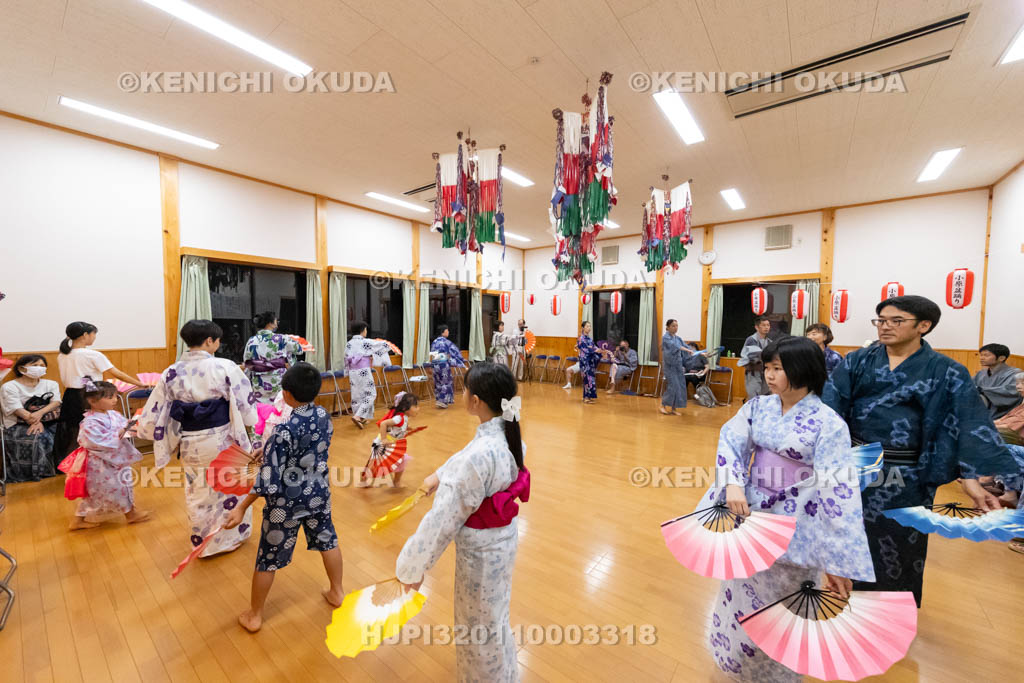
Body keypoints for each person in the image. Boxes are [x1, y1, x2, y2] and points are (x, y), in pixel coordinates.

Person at [823, 295, 1019, 606]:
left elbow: (965, 421)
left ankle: (894, 611)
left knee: (902, 543)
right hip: (856, 466)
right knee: (850, 536)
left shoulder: (946, 370)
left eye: (896, 321)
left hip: (909, 473)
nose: (885, 327)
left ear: (923, 326)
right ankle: (855, 607)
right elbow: (830, 408)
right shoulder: (857, 361)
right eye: (881, 320)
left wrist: (969, 478)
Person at [702, 337, 873, 681]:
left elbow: (839, 493)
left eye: (778, 368)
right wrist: (732, 482)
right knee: (739, 592)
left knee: (783, 607)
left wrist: (837, 560)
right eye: (767, 367)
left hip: (799, 522)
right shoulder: (757, 407)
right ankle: (734, 659)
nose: (769, 375)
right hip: (752, 514)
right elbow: (731, 441)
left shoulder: (829, 424)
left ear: (803, 370)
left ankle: (777, 674)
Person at [396, 362, 527, 682]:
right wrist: (439, 475)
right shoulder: (508, 435)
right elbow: (466, 460)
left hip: (481, 553)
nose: (463, 393)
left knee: (477, 625)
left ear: (475, 401)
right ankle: (506, 673)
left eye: (465, 389)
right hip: (502, 541)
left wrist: (413, 565)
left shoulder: (481, 454)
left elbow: (443, 520)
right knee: (494, 614)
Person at [224, 363, 344, 633]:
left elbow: (268, 480)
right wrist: (270, 451)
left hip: (285, 505)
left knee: (268, 557)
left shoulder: (283, 432)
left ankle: (255, 615)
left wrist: (241, 508)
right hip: (318, 494)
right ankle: (337, 592)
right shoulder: (324, 416)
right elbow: (306, 451)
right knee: (328, 540)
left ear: (286, 394)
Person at [136, 320, 258, 557]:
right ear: (209, 341)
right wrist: (252, 423)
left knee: (198, 490)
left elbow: (158, 407)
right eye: (217, 340)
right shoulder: (224, 366)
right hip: (221, 438)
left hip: (190, 440)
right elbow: (246, 404)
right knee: (229, 486)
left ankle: (203, 543)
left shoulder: (171, 372)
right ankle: (229, 539)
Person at [53, 321, 149, 459]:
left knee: (73, 429)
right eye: (93, 334)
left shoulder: (62, 355)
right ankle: (95, 459)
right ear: (85, 335)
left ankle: (73, 460)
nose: (94, 337)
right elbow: (116, 373)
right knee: (95, 427)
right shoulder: (92, 355)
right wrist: (139, 383)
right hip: (90, 394)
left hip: (70, 395)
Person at [68, 378, 150, 530]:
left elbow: (124, 425)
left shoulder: (112, 414)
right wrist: (120, 433)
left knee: (114, 488)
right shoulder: (89, 422)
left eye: (115, 396)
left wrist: (134, 424)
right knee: (117, 488)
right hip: (100, 463)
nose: (114, 400)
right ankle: (131, 515)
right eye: (110, 397)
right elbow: (96, 441)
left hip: (114, 459)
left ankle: (78, 520)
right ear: (92, 401)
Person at [1, 355, 61, 482]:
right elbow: (16, 409)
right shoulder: (9, 386)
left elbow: (55, 402)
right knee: (38, 436)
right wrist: (32, 420)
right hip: (17, 423)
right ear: (21, 369)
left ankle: (53, 470)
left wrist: (39, 415)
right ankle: (32, 473)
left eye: (42, 366)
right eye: (34, 365)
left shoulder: (51, 384)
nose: (39, 368)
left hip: (47, 420)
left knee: (64, 432)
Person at [362, 391, 420, 487]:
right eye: (416, 406)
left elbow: (398, 427)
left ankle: (396, 481)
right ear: (405, 408)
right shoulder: (399, 418)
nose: (418, 408)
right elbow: (383, 424)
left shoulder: (404, 417)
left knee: (402, 461)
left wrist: (407, 428)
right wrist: (384, 439)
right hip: (382, 444)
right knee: (375, 465)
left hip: (393, 444)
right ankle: (364, 479)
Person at [243, 311, 302, 404]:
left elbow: (247, 361)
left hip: (258, 381)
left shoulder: (251, 341)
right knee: (279, 406)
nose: (277, 323)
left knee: (261, 408)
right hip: (278, 379)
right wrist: (288, 356)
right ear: (270, 323)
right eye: (276, 320)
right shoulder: (282, 339)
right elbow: (299, 349)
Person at [345, 321, 393, 429]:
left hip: (353, 372)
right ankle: (358, 416)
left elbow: (346, 359)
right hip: (363, 371)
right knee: (370, 394)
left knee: (357, 395)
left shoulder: (349, 343)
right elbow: (384, 345)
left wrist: (347, 371)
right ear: (363, 330)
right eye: (366, 329)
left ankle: (361, 418)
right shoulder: (365, 342)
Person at [973, 343, 1021, 419]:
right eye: (981, 355)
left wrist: (982, 390)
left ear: (1001, 358)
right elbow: (969, 386)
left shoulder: (1015, 373)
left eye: (986, 355)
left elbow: (1013, 392)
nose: (982, 358)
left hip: (1002, 413)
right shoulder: (981, 373)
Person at [661, 319, 695, 415]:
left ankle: (674, 408)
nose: (675, 328)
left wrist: (700, 353)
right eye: (673, 326)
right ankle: (663, 405)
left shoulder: (678, 338)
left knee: (680, 386)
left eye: (676, 326)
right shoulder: (666, 338)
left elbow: (687, 347)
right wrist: (688, 350)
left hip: (678, 366)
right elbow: (676, 346)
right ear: (668, 327)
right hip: (669, 366)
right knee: (673, 386)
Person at [431, 324, 467, 409]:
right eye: (447, 330)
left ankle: (438, 400)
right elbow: (454, 351)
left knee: (438, 382)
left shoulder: (434, 342)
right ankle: (443, 401)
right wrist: (461, 360)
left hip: (435, 364)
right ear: (443, 332)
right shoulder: (446, 342)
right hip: (443, 365)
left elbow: (432, 354)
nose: (448, 332)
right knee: (445, 382)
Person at [738, 316, 773, 400]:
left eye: (768, 325)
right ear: (757, 327)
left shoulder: (769, 341)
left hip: (765, 372)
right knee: (755, 397)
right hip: (753, 371)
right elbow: (751, 357)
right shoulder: (751, 340)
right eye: (763, 325)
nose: (766, 327)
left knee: (765, 396)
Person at [576, 321, 604, 404]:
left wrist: (599, 350)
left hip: (590, 361)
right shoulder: (581, 339)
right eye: (587, 326)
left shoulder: (590, 339)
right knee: (586, 379)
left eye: (590, 326)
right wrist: (595, 350)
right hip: (584, 362)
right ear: (583, 328)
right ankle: (585, 397)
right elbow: (586, 349)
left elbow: (593, 347)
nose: (589, 328)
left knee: (591, 379)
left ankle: (588, 396)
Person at [994, 372, 1024, 445]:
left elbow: (1009, 428)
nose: (1018, 386)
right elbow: (1001, 420)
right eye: (1017, 383)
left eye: (1023, 383)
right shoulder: (1021, 405)